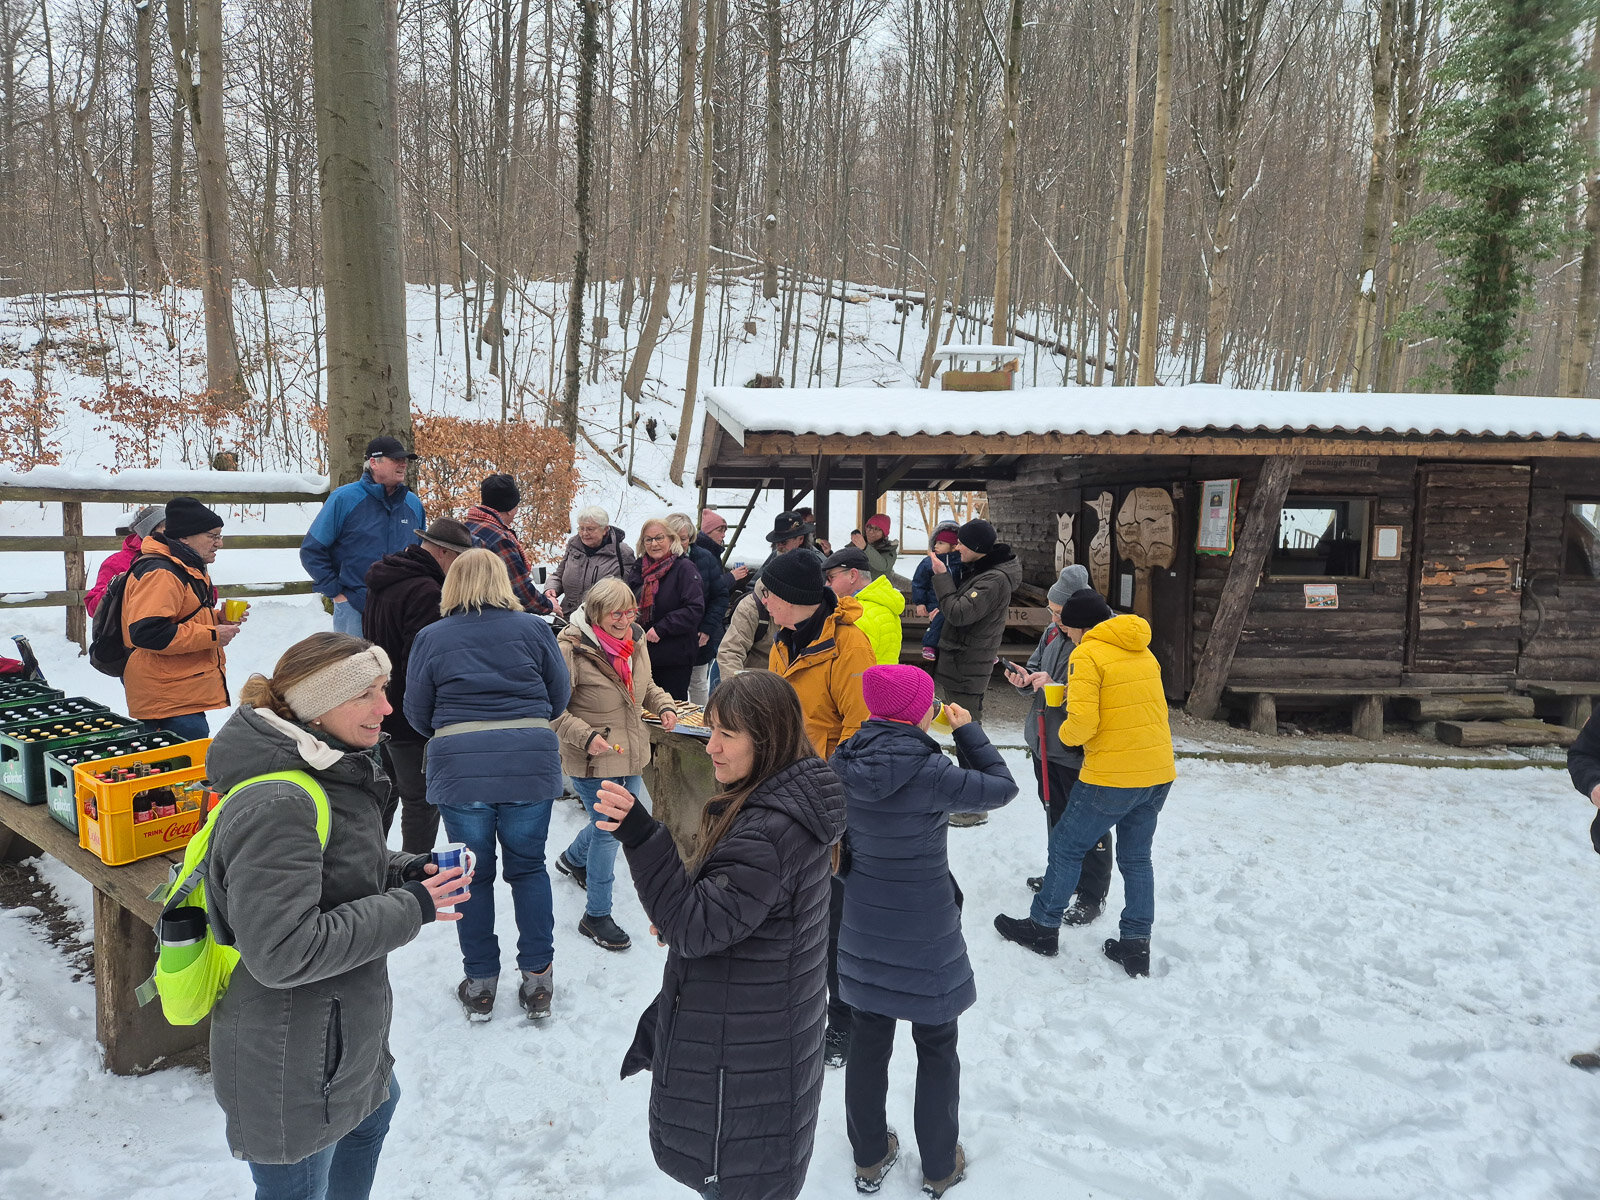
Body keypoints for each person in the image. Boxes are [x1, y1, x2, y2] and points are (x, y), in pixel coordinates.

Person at [203, 632, 471, 1200]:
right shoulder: (280, 805)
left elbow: (333, 864)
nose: (387, 708)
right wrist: (413, 907)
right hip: (291, 1054)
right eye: (369, 694)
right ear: (320, 704)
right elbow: (282, 953)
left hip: (342, 1034)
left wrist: (405, 872)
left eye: (385, 689)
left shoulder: (328, 768)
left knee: (373, 1117)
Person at [594, 670, 846, 1200]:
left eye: (726, 736)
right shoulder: (786, 801)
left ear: (768, 739)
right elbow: (730, 914)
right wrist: (696, 907)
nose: (710, 747)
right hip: (762, 1039)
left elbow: (695, 927)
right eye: (711, 730)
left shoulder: (770, 831)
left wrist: (642, 835)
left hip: (743, 1062)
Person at [831, 665, 1017, 1198]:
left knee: (868, 1039)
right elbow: (1002, 788)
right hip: (927, 928)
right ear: (920, 711)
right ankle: (939, 1166)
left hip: (863, 920)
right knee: (936, 1043)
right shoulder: (932, 772)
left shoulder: (842, 761)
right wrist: (966, 729)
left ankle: (869, 1157)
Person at [404, 549, 572, 1020]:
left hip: (461, 767)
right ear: (503, 581)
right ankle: (538, 978)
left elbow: (417, 712)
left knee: (471, 874)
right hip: (528, 763)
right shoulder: (536, 630)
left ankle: (480, 982)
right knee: (528, 868)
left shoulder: (431, 638)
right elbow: (558, 697)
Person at [994, 590, 1176, 975]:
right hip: (1157, 772)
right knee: (1137, 859)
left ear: (1077, 626)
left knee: (1065, 846)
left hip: (1111, 775)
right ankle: (1135, 945)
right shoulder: (1143, 650)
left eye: (1066, 625)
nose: (1065, 632)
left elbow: (1083, 727)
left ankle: (1042, 927)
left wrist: (1061, 736)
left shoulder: (1087, 654)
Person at [762, 547, 874, 1070]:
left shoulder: (848, 646)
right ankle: (801, 1001)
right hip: (787, 793)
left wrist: (832, 798)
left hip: (827, 800)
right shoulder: (783, 641)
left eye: (769, 593)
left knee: (833, 919)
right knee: (795, 911)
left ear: (794, 600)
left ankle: (847, 1021)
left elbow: (862, 730)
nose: (762, 600)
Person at [552, 577, 680, 952]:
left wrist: (665, 705)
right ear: (595, 613)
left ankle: (574, 860)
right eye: (616, 613)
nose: (625, 619)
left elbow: (647, 687)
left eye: (630, 611)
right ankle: (596, 915)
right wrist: (585, 736)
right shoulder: (571, 648)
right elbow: (552, 709)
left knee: (609, 822)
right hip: (593, 758)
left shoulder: (635, 640)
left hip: (630, 751)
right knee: (611, 831)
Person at [1004, 565, 1113, 922]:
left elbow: (1095, 695)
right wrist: (1025, 678)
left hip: (1076, 747)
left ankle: (1091, 893)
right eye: (1050, 612)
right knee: (1054, 813)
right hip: (1044, 741)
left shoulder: (1099, 639)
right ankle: (1060, 874)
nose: (1052, 618)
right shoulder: (1053, 632)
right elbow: (1037, 666)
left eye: (1057, 612)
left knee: (1087, 823)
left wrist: (1055, 684)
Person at [361, 518, 473, 853]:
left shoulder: (387, 577)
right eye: (459, 560)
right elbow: (421, 665)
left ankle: (366, 867)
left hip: (379, 706)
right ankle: (414, 881)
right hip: (409, 716)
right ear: (443, 552)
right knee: (422, 802)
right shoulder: (427, 591)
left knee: (384, 794)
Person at [121, 497, 242, 741]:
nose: (219, 543)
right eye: (213, 536)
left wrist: (218, 618)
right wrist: (214, 634)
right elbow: (147, 633)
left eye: (220, 535)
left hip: (179, 693)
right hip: (167, 699)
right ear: (185, 538)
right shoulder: (162, 573)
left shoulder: (186, 565)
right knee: (180, 770)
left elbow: (178, 618)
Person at [932, 518, 1021, 827]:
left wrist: (942, 578)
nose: (956, 547)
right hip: (964, 661)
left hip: (968, 664)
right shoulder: (986, 572)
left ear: (979, 549)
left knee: (967, 733)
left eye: (962, 544)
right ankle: (972, 800)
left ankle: (974, 806)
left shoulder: (993, 579)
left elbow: (958, 613)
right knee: (964, 732)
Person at [300, 436, 425, 636]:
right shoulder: (344, 498)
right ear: (373, 463)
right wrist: (337, 593)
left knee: (395, 668)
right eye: (395, 459)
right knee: (354, 664)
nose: (403, 464)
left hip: (401, 609)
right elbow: (312, 550)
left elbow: (421, 555)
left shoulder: (413, 504)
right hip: (355, 606)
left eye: (405, 459)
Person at [625, 516, 706, 702]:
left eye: (659, 538)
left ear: (671, 539)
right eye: (649, 539)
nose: (654, 544)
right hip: (642, 652)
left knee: (670, 709)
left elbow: (694, 608)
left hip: (674, 655)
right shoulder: (639, 568)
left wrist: (662, 628)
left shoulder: (684, 568)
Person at [464, 473, 553, 614]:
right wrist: (549, 605)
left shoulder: (467, 526)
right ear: (510, 509)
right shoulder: (500, 540)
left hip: (465, 610)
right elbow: (521, 590)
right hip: (491, 615)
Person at [667, 512, 730, 706]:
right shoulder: (657, 559)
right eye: (674, 538)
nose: (679, 544)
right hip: (667, 635)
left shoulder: (706, 559)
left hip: (698, 634)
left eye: (683, 539)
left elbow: (719, 596)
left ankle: (701, 727)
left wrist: (707, 628)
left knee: (698, 683)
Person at [822, 545, 904, 665]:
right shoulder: (879, 604)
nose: (826, 584)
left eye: (831, 578)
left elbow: (845, 666)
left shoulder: (858, 613)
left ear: (852, 575)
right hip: (879, 682)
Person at [547, 505, 635, 615]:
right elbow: (559, 575)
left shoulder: (622, 552)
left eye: (590, 529)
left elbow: (629, 592)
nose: (584, 533)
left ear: (605, 529)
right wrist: (551, 588)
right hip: (567, 617)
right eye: (581, 528)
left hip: (600, 621)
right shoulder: (574, 545)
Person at [86, 505, 164, 616]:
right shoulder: (116, 563)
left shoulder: (178, 556)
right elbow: (94, 608)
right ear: (149, 530)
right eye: (165, 529)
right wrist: (117, 584)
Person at [910, 522, 961, 663]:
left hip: (958, 604)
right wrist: (920, 602)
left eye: (941, 543)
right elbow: (919, 584)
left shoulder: (962, 563)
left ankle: (980, 650)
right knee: (939, 618)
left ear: (953, 546)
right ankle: (929, 645)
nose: (936, 546)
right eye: (935, 542)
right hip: (936, 603)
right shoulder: (928, 563)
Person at [716, 590, 776, 683]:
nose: (765, 601)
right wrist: (740, 689)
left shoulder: (804, 610)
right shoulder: (752, 606)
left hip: (788, 685)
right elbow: (730, 651)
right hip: (754, 682)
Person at [851, 513, 899, 582]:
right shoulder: (857, 544)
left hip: (879, 591)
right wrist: (829, 553)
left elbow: (882, 565)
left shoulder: (889, 549)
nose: (871, 531)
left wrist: (865, 548)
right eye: (869, 527)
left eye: (876, 529)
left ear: (884, 533)